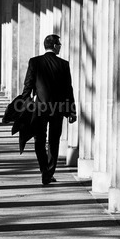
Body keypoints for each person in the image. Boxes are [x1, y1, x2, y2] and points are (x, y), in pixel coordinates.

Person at [20, 34, 77, 185]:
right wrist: (72, 111)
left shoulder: (35, 62)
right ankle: (49, 172)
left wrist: (25, 103)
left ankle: (44, 170)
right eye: (59, 44)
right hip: (58, 109)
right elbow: (68, 90)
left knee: (39, 140)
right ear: (55, 46)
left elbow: (28, 85)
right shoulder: (64, 64)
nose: (60, 46)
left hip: (39, 108)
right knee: (53, 141)